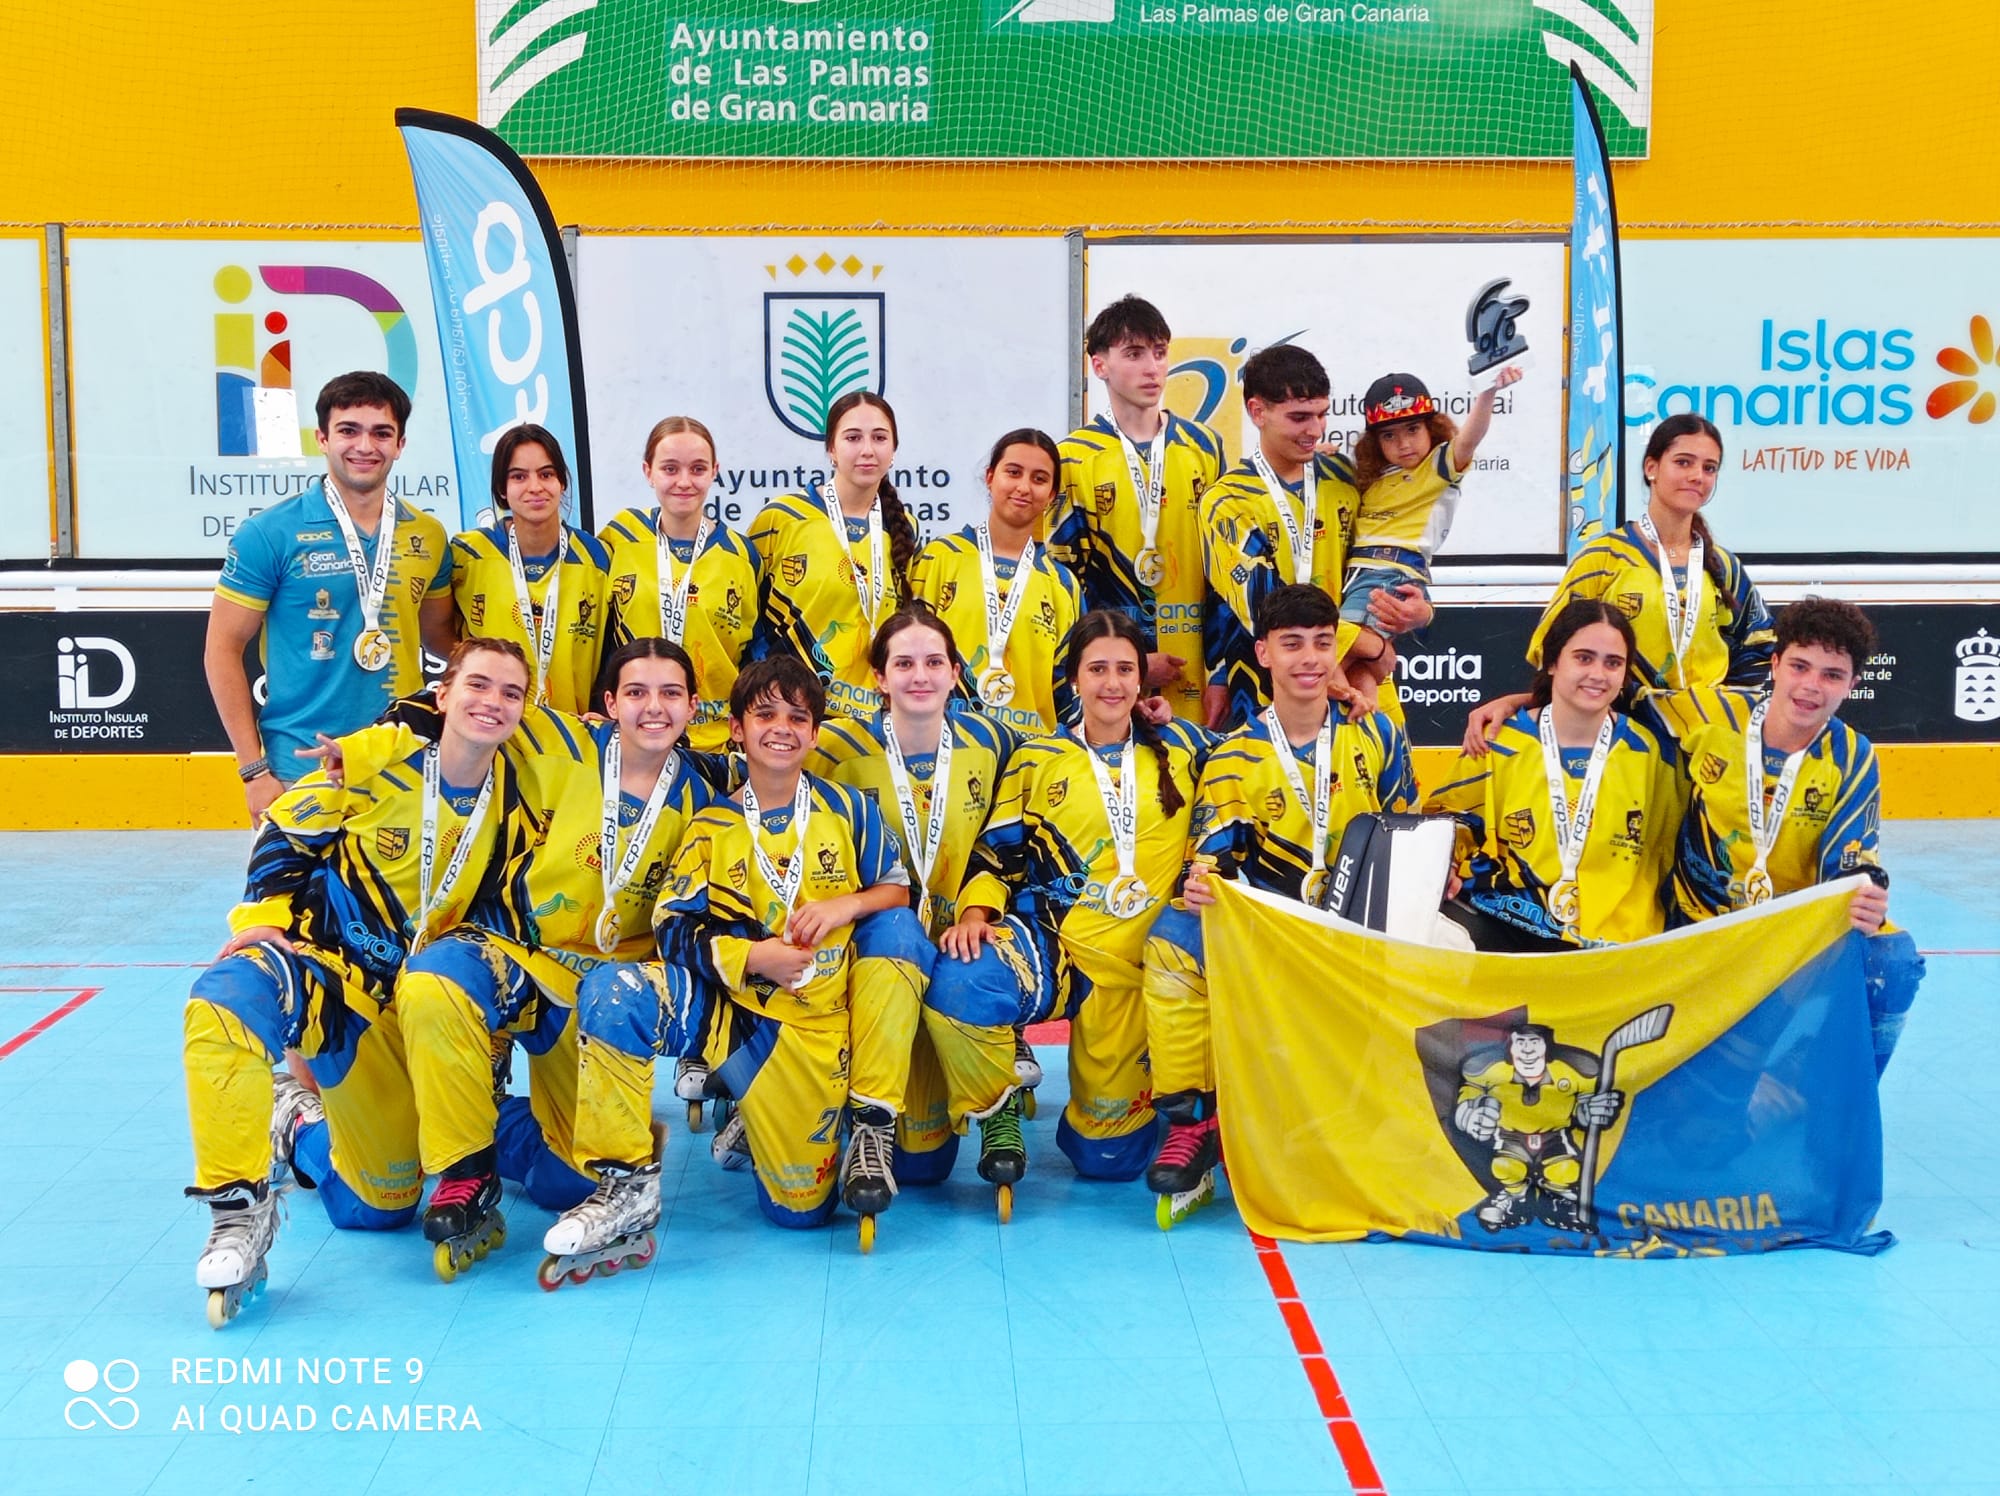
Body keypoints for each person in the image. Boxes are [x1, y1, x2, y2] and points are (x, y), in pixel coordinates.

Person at [180, 639, 535, 1324]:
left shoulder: (524, 799)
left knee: (380, 1203)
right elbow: (284, 834)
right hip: (344, 993)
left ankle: (317, 1126)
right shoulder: (372, 773)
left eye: (510, 692)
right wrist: (264, 918)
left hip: (438, 1010)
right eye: (477, 685)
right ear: (442, 696)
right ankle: (240, 1201)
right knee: (227, 995)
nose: (493, 702)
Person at [1142, 584, 1421, 1215]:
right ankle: (1194, 1118)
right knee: (1174, 939)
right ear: (1264, 653)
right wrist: (1202, 883)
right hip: (1275, 939)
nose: (1310, 659)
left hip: (1359, 939)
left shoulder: (1375, 733)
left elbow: (1409, 830)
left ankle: (1392, 1103)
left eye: (1323, 643)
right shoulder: (1235, 756)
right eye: (1292, 644)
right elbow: (1212, 858)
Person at [654, 656, 924, 1240]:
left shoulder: (848, 808)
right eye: (765, 715)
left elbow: (898, 890)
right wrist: (756, 958)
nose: (782, 728)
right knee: (800, 1214)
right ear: (736, 728)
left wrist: (844, 905)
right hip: (768, 1024)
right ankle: (754, 1107)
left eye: (798, 718)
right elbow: (672, 930)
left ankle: (870, 1123)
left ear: (815, 734)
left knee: (900, 933)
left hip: (846, 1008)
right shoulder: (710, 827)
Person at [962, 610, 1211, 1180]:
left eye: (1125, 669)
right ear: (1074, 677)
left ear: (1142, 678)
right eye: (1097, 669)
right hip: (1068, 955)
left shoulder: (1184, 746)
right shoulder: (1037, 760)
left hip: (1154, 964)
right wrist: (976, 912)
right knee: (965, 975)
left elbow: (1259, 759)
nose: (1112, 683)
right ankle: (998, 1101)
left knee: (1110, 1162)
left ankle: (1196, 1111)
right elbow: (995, 856)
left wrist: (1348, 691)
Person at [808, 607, 1031, 1205]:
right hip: (879, 946)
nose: (920, 675)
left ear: (956, 672)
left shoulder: (994, 741)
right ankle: (852, 1119)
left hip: (961, 937)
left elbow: (1059, 769)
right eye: (903, 663)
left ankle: (998, 1100)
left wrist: (979, 912)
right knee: (913, 1162)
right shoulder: (838, 747)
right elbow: (762, 776)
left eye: (934, 662)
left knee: (927, 1167)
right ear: (879, 677)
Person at [1668, 596, 1924, 1073]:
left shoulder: (1852, 757)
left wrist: (1865, 895)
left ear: (1852, 685)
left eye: (1832, 675)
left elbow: (1848, 868)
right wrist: (1523, 702)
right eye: (1800, 666)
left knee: (1892, 963)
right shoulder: (1708, 711)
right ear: (1775, 665)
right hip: (1696, 921)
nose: (1811, 686)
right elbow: (1603, 701)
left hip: (1788, 931)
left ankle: (1828, 1100)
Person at [205, 371, 455, 824]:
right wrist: (253, 770)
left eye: (381, 433)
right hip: (300, 767)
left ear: (400, 444)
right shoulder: (269, 533)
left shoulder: (429, 535)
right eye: (348, 431)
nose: (365, 446)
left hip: (399, 761)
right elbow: (222, 649)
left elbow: (442, 637)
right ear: (322, 438)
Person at [1463, 413, 1774, 749]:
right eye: (1683, 462)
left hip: (1708, 740)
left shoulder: (1724, 567)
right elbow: (1553, 648)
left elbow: (1760, 643)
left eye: (1709, 468)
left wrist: (1716, 707)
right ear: (1651, 467)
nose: (1697, 476)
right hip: (1624, 737)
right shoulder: (1603, 558)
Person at [1425, 599, 1684, 950]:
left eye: (1613, 663)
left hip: (1619, 944)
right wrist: (1445, 865)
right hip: (1515, 923)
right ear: (1552, 662)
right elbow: (1446, 823)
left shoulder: (1650, 752)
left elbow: (1669, 853)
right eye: (1583, 658)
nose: (1598, 674)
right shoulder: (1499, 742)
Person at [1202, 344, 1429, 730]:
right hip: (1269, 691)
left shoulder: (1345, 476)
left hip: (1361, 680)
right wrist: (1371, 646)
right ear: (1257, 412)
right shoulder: (1226, 501)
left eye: (1322, 414)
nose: (1315, 430)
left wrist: (1420, 612)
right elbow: (1268, 609)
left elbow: (1389, 557)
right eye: (1299, 417)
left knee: (1386, 767)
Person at [1051, 295, 1226, 724]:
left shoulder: (1204, 446)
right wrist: (1129, 659)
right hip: (1112, 677)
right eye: (1134, 354)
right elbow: (1063, 584)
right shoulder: (1072, 457)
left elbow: (1224, 570)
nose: (1152, 368)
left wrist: (1224, 672)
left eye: (1160, 352)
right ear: (1099, 365)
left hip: (1199, 671)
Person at [1337, 367, 1521, 710]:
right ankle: (1368, 723)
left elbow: (1470, 438)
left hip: (1391, 572)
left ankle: (1332, 710)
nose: (1404, 443)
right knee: (1360, 664)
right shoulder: (1371, 478)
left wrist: (1488, 392)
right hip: (1359, 573)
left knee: (1335, 651)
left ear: (1431, 427)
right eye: (1389, 435)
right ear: (1375, 442)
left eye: (1413, 429)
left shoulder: (1438, 466)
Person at [748, 392, 919, 720]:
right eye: (853, 438)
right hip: (793, 714)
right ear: (831, 449)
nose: (867, 450)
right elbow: (747, 620)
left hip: (875, 721)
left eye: (879, 438)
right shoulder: (783, 517)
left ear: (894, 450)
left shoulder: (905, 527)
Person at [598, 416, 760, 752]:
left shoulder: (743, 554)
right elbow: (598, 641)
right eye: (670, 469)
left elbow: (754, 653)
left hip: (714, 741)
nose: (684, 482)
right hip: (633, 735)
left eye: (698, 469)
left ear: (715, 471)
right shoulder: (620, 537)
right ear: (648, 472)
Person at [911, 428, 1083, 734]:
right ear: (990, 477)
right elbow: (907, 655)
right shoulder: (940, 557)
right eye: (1013, 472)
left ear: (1051, 495)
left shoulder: (1063, 584)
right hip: (948, 743)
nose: (1024, 487)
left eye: (1039, 479)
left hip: (1031, 750)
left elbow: (1068, 691)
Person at [448, 424, 611, 716]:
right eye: (519, 476)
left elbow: (613, 652)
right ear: (502, 488)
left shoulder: (598, 557)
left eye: (546, 474)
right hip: (490, 727)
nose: (535, 487)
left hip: (572, 731)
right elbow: (438, 633)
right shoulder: (467, 554)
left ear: (562, 483)